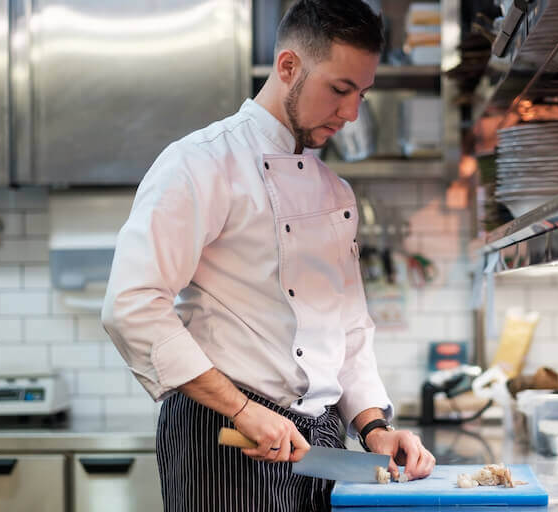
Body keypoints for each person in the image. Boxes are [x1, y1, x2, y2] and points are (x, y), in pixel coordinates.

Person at [101, 1, 436, 510]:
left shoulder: (334, 192)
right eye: (340, 90)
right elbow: (131, 304)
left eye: (362, 95)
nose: (351, 114)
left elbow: (347, 331)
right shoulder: (200, 163)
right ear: (288, 67)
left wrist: (373, 427)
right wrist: (239, 408)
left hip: (322, 440)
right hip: (228, 435)